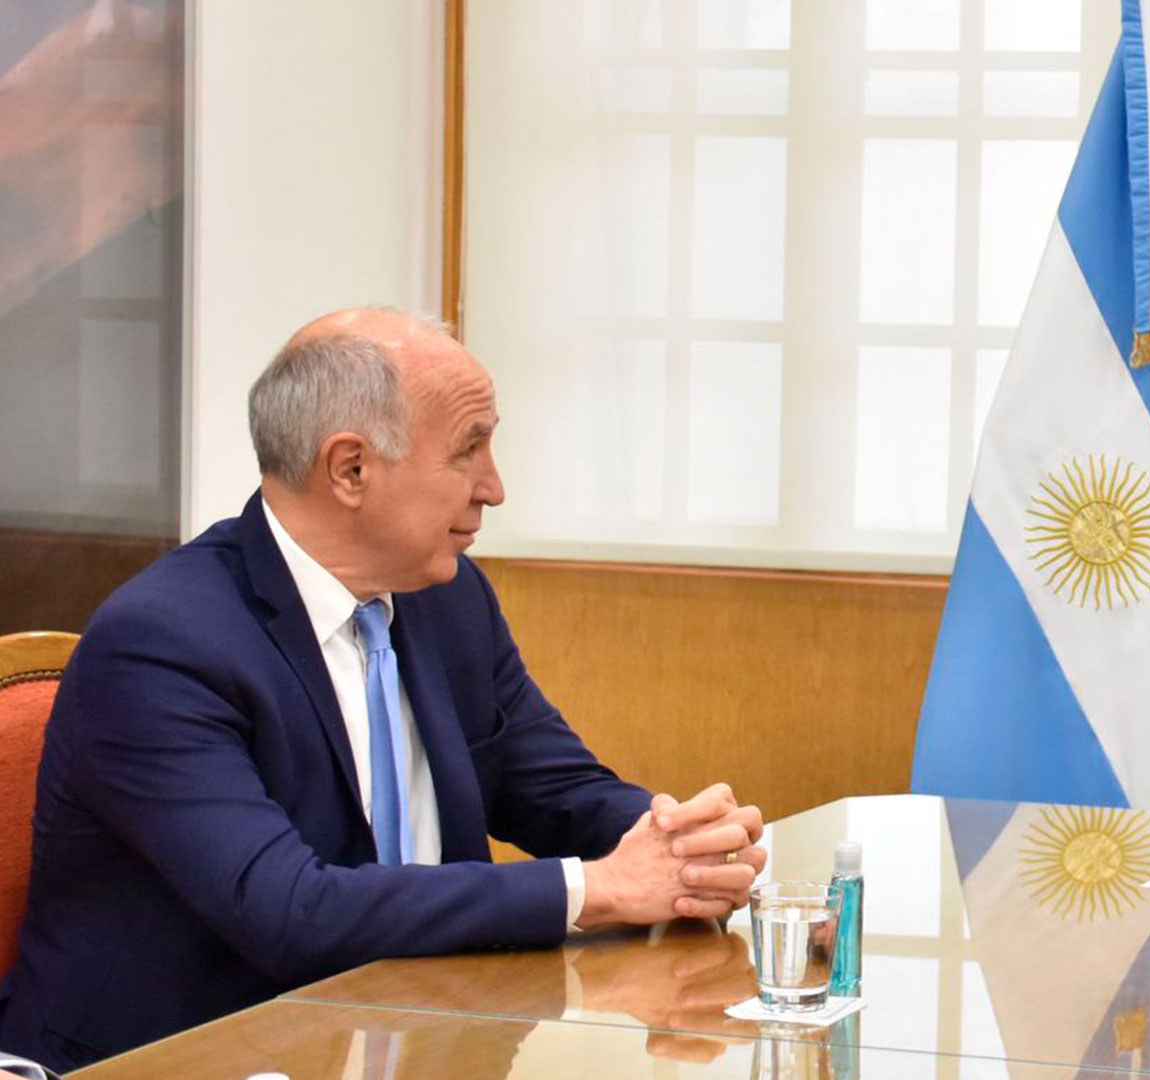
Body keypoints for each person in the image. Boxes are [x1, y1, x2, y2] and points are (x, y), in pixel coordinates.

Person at [0, 308, 768, 1071]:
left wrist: (689, 852)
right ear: (351, 469)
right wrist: (597, 890)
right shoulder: (162, 644)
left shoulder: (448, 596)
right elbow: (289, 911)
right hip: (188, 1058)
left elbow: (555, 788)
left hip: (417, 1035)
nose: (494, 488)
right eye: (469, 451)